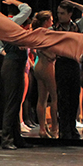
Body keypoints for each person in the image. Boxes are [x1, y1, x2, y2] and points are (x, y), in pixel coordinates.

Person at [0, 0, 33, 149]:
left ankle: (16, 138)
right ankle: (7, 139)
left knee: (16, 103)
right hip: (12, 66)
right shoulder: (11, 23)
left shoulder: (7, 26)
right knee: (12, 103)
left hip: (15, 64)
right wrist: (14, 1)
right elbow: (27, 9)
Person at [53, 0, 83, 140]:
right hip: (61, 64)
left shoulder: (77, 26)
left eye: (63, 13)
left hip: (74, 65)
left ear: (70, 14)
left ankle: (72, 129)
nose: (60, 16)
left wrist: (73, 4)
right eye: (58, 13)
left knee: (74, 98)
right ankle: (64, 131)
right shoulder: (54, 29)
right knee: (63, 98)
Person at [32, 11, 58, 139]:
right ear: (46, 21)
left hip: (38, 66)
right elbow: (50, 52)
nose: (52, 22)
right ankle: (54, 128)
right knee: (54, 97)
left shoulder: (36, 32)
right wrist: (52, 56)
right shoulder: (46, 33)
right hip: (47, 66)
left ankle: (42, 129)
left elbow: (33, 47)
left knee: (41, 99)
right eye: (51, 20)